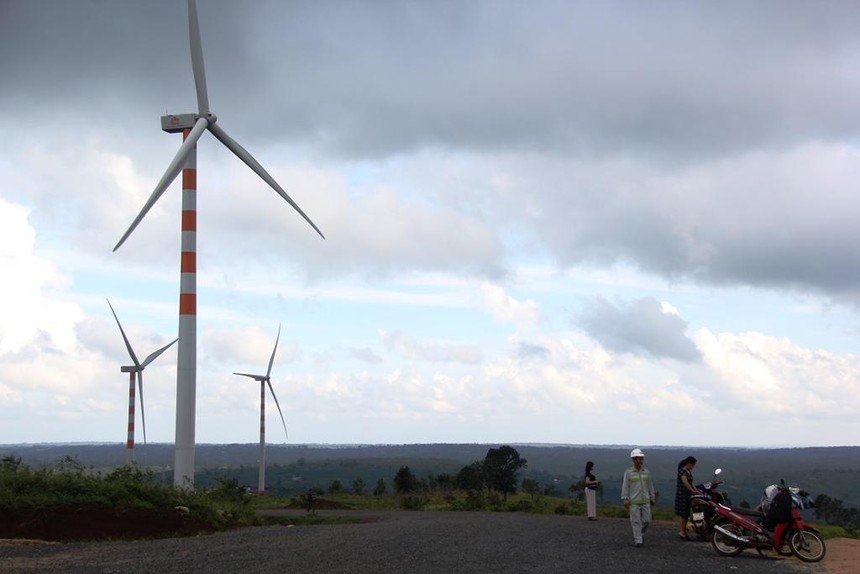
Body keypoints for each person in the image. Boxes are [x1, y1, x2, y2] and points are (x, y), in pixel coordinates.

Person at [621, 448, 656, 547]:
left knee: (647, 520)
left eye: (642, 458)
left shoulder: (646, 472)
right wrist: (625, 499)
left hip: (645, 500)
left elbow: (650, 485)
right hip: (634, 501)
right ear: (634, 459)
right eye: (639, 459)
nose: (641, 461)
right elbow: (625, 486)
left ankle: (639, 534)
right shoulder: (628, 473)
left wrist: (652, 497)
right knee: (636, 521)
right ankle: (638, 540)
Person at [674, 455, 698, 540]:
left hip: (688, 495)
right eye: (692, 465)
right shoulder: (682, 471)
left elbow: (691, 482)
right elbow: (685, 482)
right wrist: (692, 490)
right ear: (689, 463)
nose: (693, 467)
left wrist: (696, 490)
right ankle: (682, 532)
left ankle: (684, 531)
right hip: (682, 495)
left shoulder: (688, 471)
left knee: (686, 515)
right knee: (683, 515)